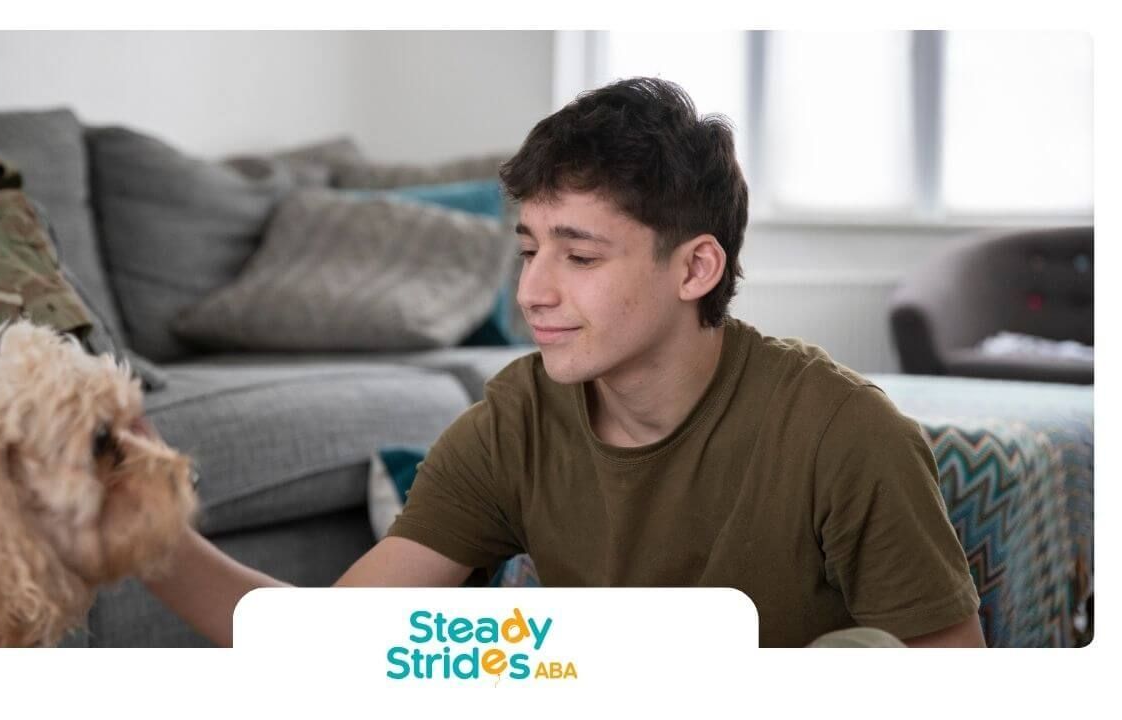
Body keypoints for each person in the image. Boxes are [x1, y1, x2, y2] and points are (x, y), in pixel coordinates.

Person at [144, 77, 985, 648]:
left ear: (695, 268)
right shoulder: (516, 421)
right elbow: (329, 644)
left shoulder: (843, 432)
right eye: (528, 249)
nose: (533, 293)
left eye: (579, 257)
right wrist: (148, 539)